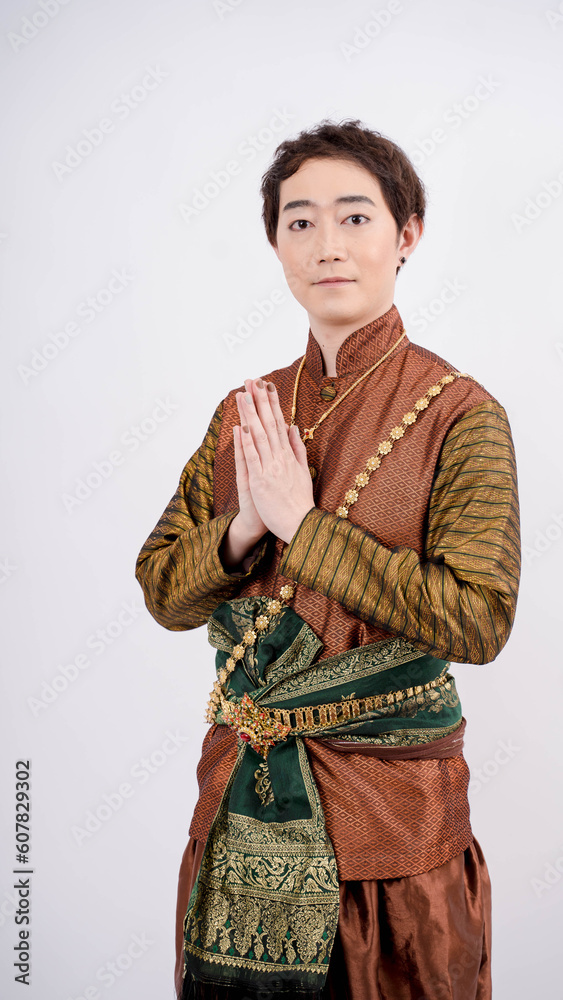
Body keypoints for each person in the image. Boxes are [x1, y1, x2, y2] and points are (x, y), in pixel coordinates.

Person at [135, 119, 520, 1000]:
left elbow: (478, 619)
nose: (326, 244)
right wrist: (243, 530)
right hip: (240, 801)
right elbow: (162, 589)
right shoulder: (246, 410)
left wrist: (304, 527)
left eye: (354, 217)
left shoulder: (462, 414)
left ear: (406, 234)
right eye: (299, 221)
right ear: (274, 243)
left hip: (392, 832)